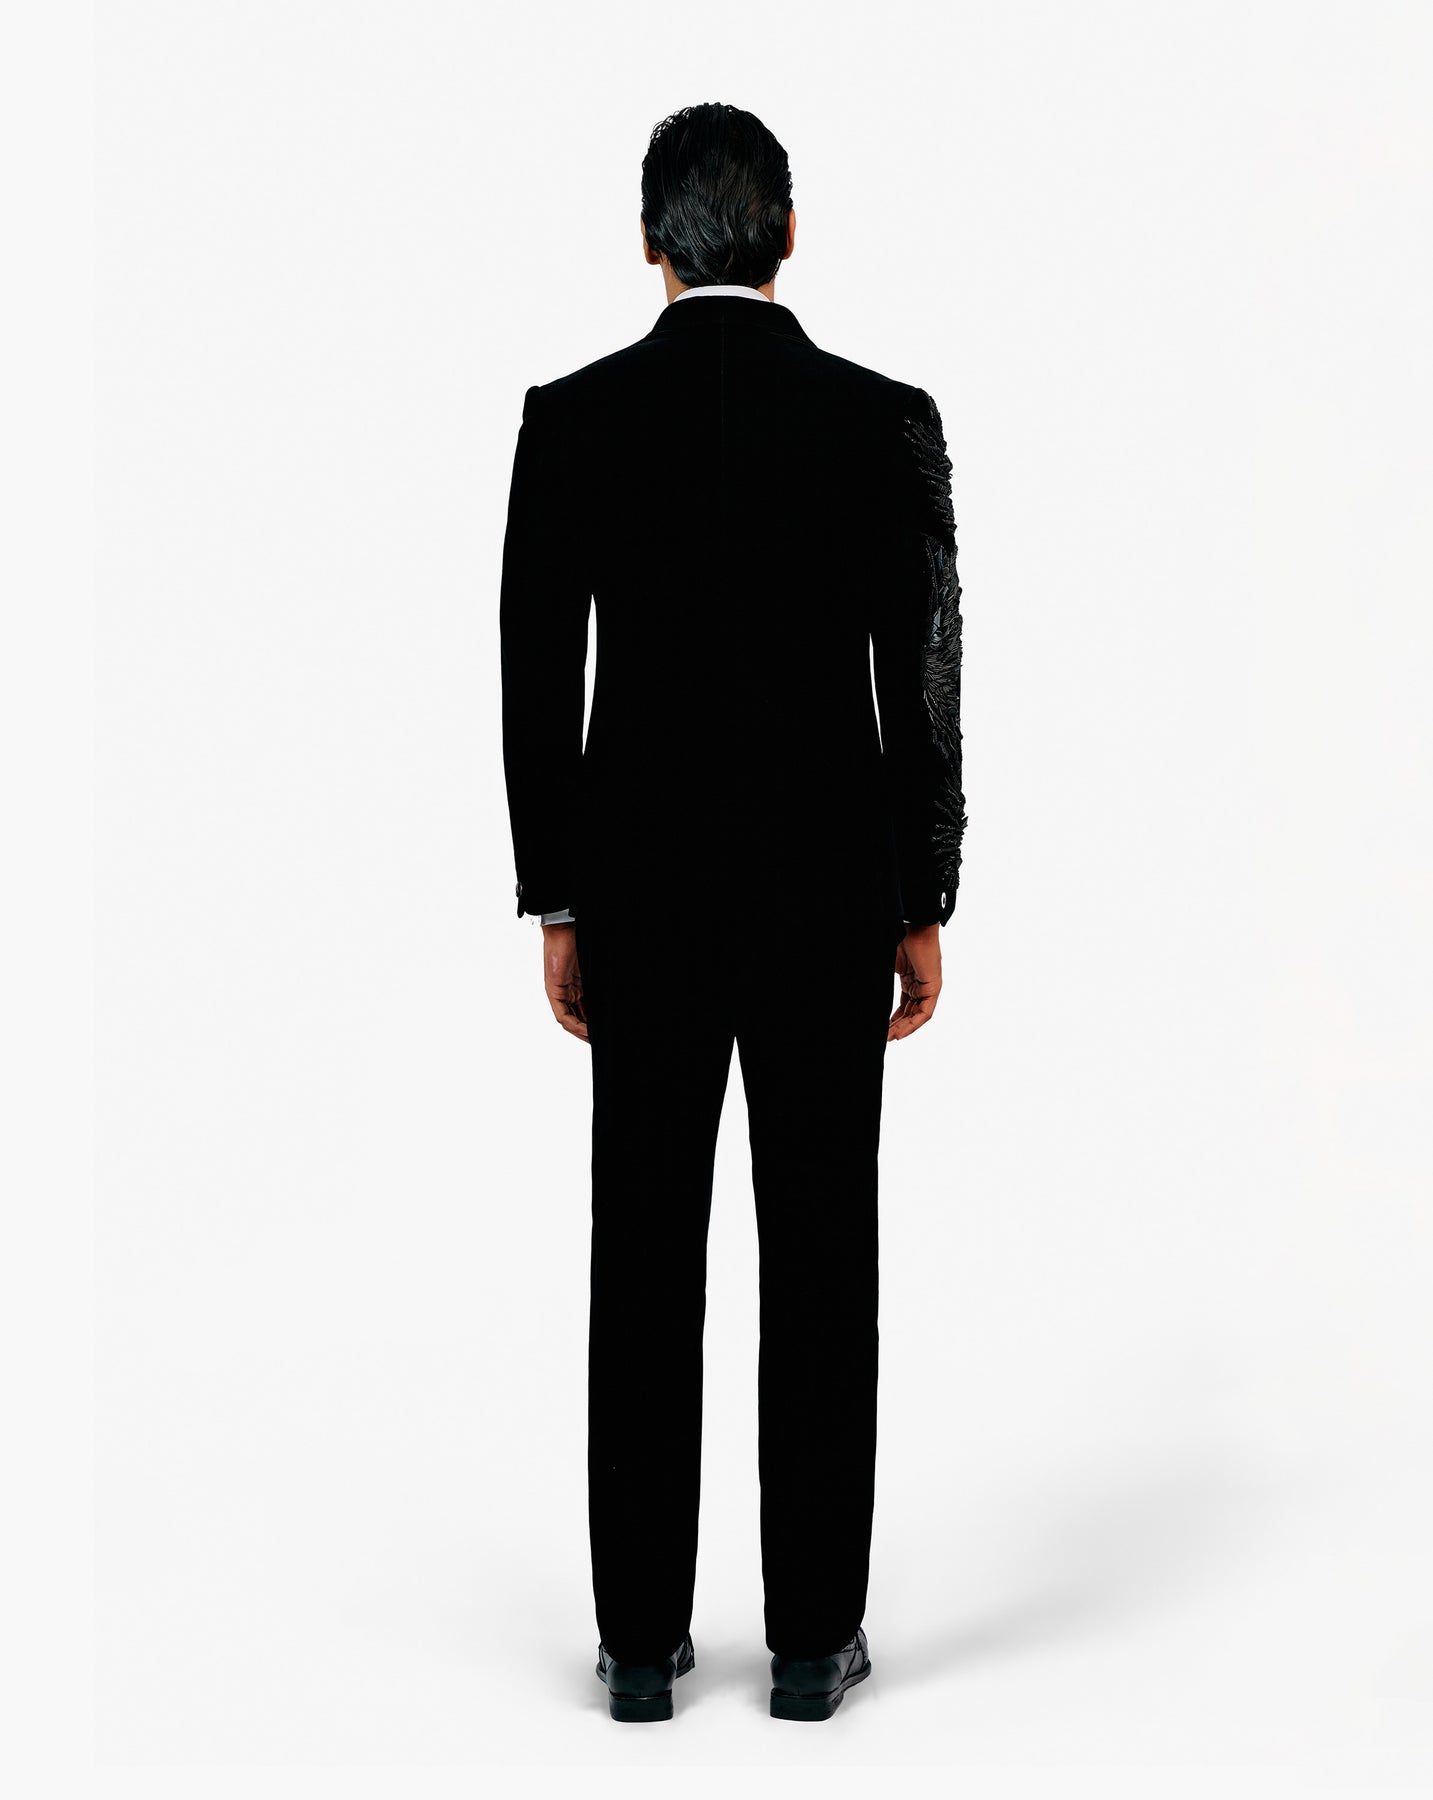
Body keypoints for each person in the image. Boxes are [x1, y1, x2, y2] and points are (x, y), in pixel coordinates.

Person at [499, 100, 965, 1723]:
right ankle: (811, 1644)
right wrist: (921, 893)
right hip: (829, 891)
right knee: (823, 1251)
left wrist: (557, 900)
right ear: (788, 233)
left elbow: (534, 678)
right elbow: (921, 678)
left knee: (641, 1252)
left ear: (649, 240)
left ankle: (637, 1646)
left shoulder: (572, 420)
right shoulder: (879, 421)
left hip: (640, 895)